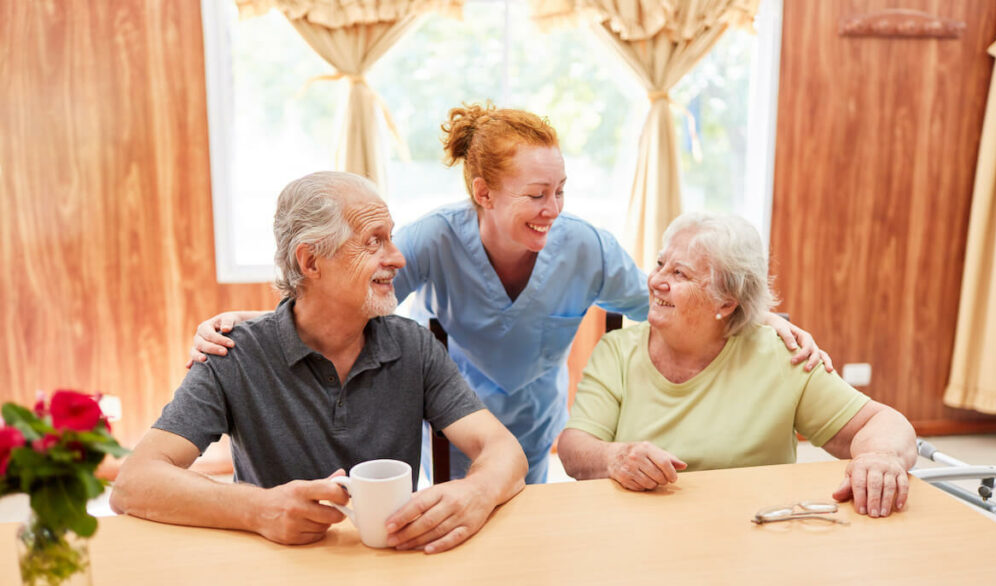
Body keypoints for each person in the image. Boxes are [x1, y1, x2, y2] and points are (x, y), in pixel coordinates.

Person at [188, 103, 831, 484]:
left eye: (561, 191)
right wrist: (246, 323)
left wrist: (759, 317)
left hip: (537, 425)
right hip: (448, 418)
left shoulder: (586, 246)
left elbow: (665, 301)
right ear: (484, 193)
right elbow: (344, 296)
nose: (553, 209)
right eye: (535, 194)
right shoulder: (435, 239)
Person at [111, 172, 527, 553]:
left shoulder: (413, 347)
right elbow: (133, 484)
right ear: (310, 261)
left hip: (389, 564)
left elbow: (504, 449)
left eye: (391, 238)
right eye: (373, 241)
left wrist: (476, 492)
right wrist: (258, 509)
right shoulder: (232, 354)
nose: (398, 258)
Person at [557, 212, 917, 518]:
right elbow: (575, 448)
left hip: (752, 534)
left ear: (726, 303)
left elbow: (881, 422)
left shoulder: (779, 356)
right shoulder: (618, 352)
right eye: (660, 264)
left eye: (679, 274)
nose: (655, 281)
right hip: (638, 533)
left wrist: (880, 457)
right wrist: (614, 457)